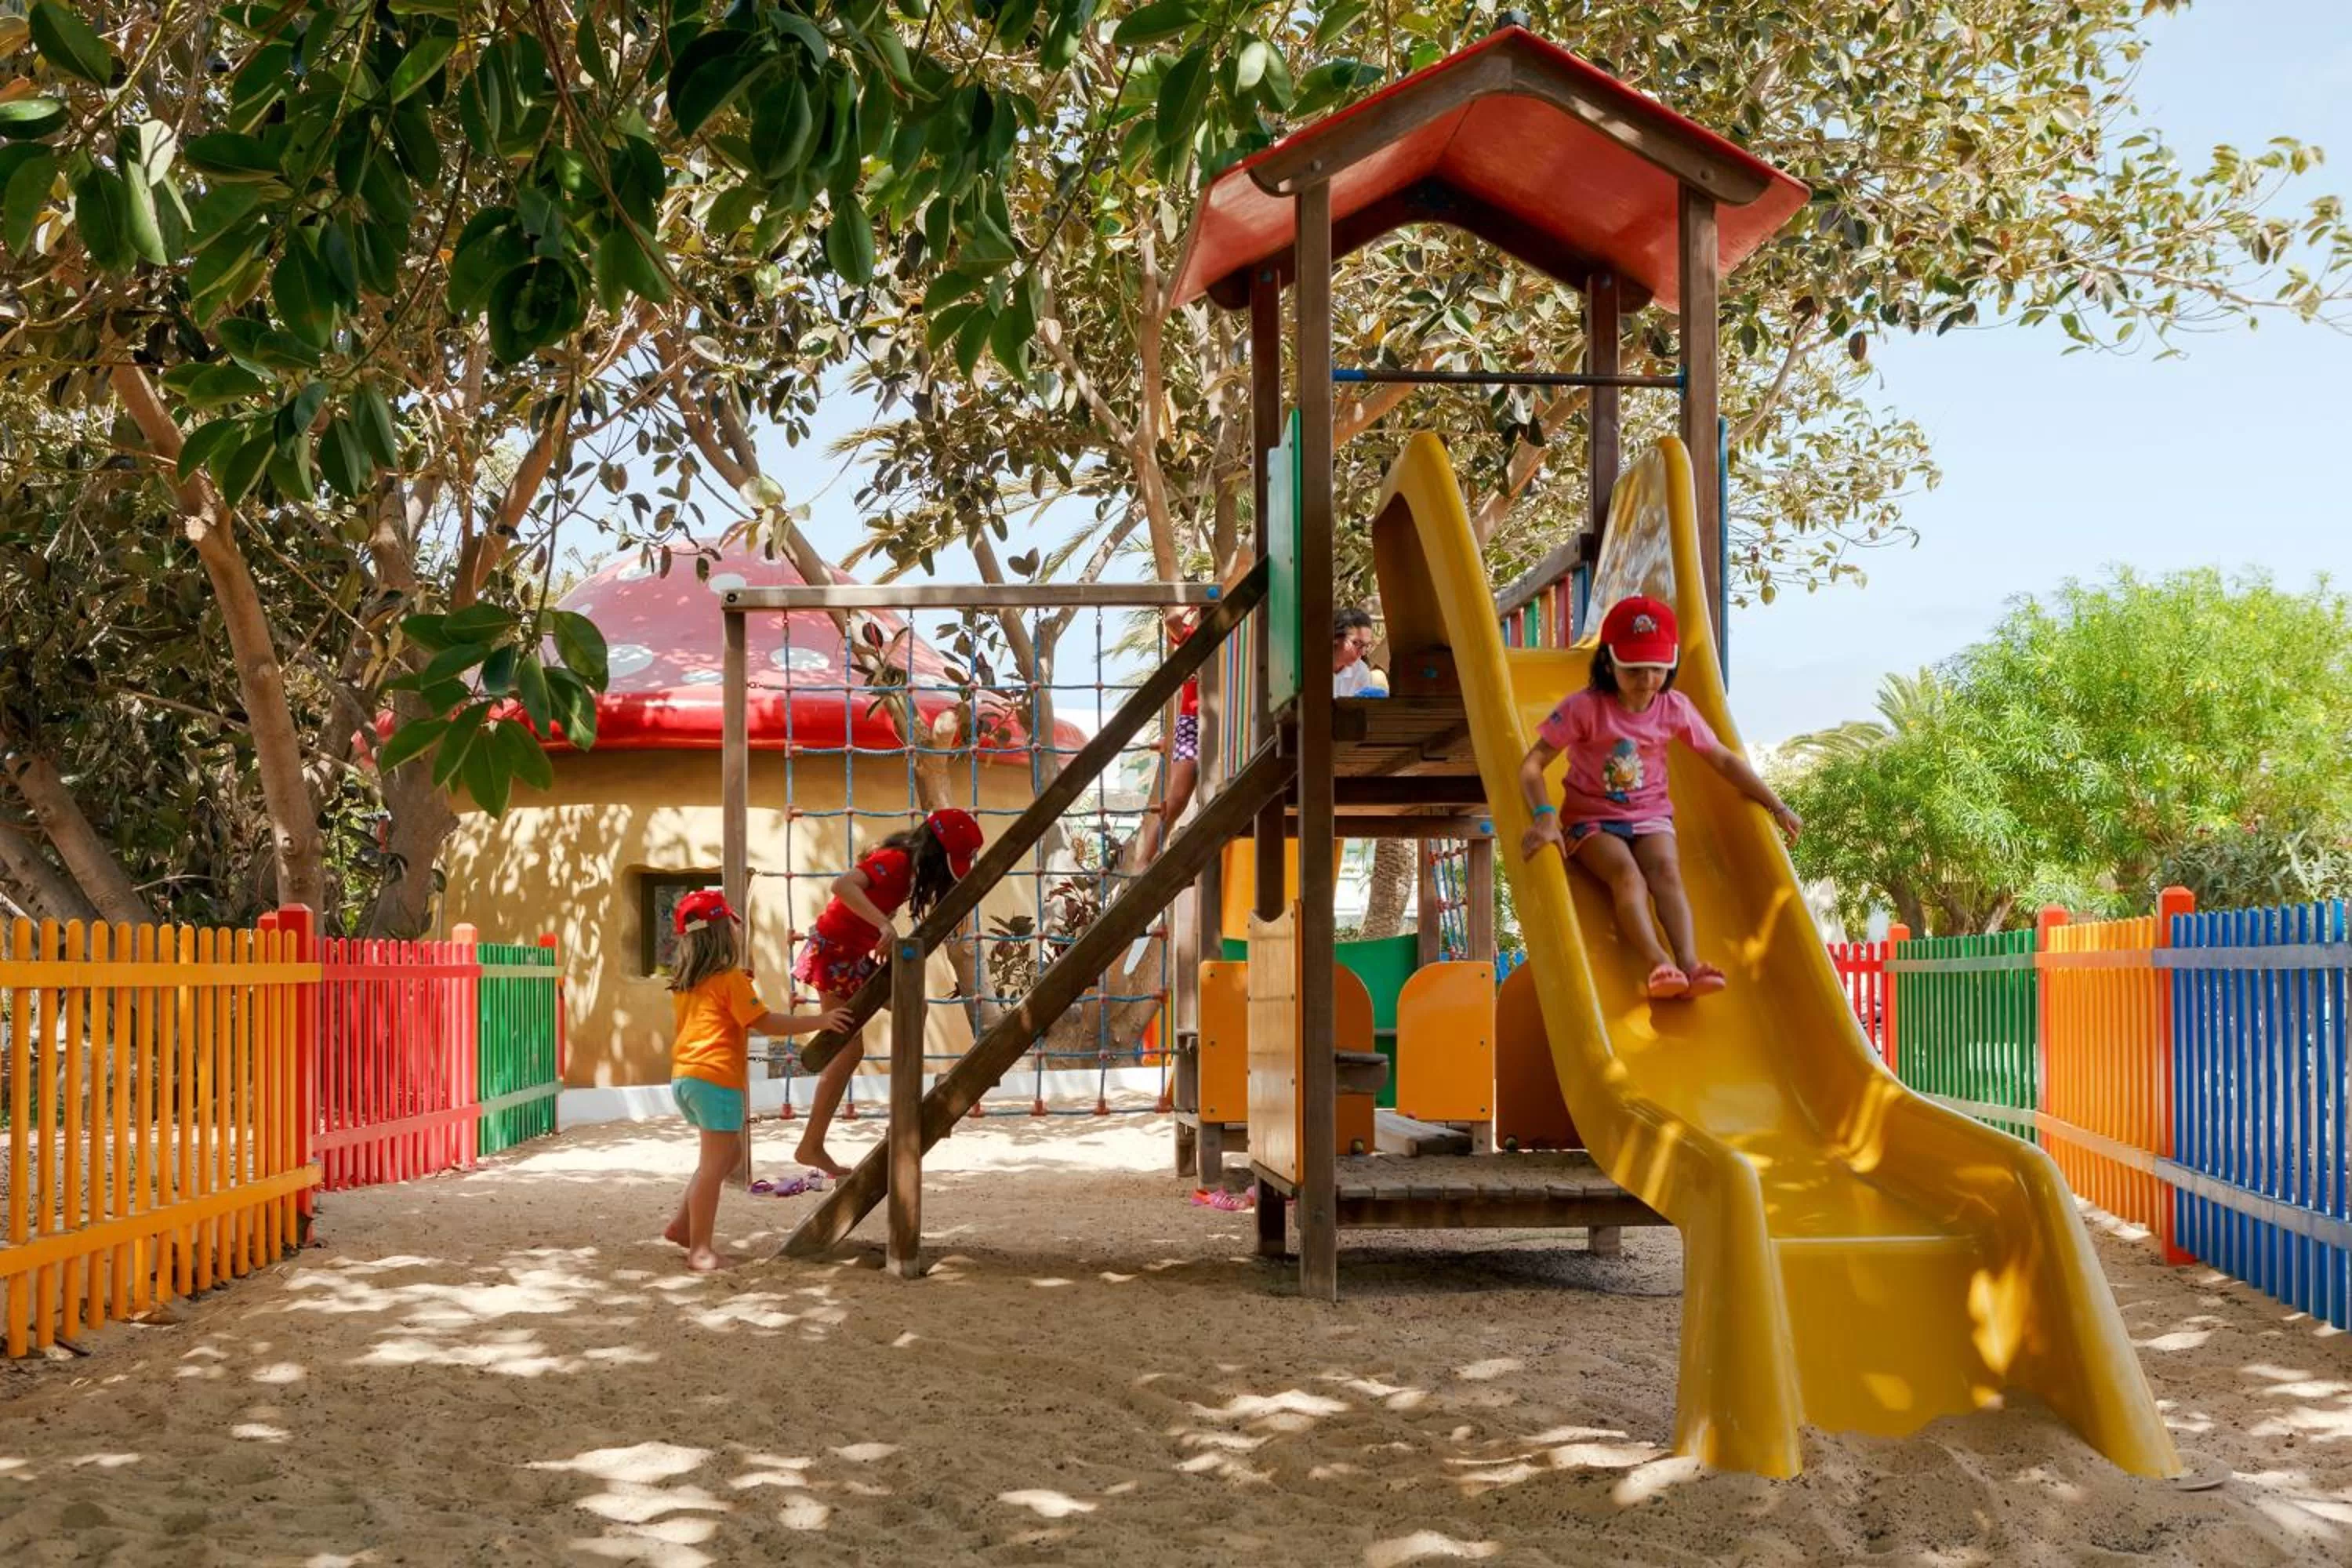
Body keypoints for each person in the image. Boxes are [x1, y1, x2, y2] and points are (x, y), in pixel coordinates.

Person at [1515, 594, 1802, 1000]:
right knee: (1628, 876)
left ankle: (1688, 962)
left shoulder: (1674, 708)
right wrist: (1545, 817)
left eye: (1656, 667)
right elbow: (1531, 766)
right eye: (1633, 668)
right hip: (1592, 821)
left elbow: (1722, 759)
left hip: (1651, 817)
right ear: (1609, 662)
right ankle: (1657, 962)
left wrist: (1777, 805)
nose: (1646, 679)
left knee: (1666, 872)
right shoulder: (1585, 708)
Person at [665, 889, 851, 1272]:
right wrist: (820, 1021)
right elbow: (764, 1022)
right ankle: (700, 1250)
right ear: (723, 932)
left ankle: (684, 1227)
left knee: (726, 1156)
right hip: (715, 1080)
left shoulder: (688, 983)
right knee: (713, 1167)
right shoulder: (729, 979)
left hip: (687, 1079)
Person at [792, 808, 985, 1174]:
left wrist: (880, 928)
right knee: (846, 1052)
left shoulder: (906, 869)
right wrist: (883, 925)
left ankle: (901, 1110)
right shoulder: (896, 860)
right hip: (833, 954)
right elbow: (843, 886)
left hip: (852, 956)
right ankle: (811, 1145)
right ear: (934, 852)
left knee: (915, 1007)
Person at [1333, 607, 1382, 696]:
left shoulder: (1360, 671)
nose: (1362, 652)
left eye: (1366, 646)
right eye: (1356, 643)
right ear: (1336, 639)